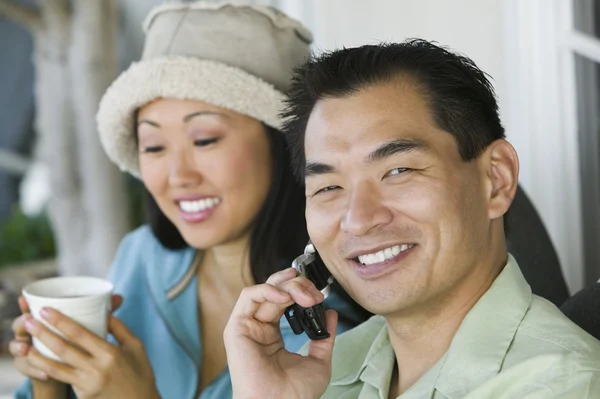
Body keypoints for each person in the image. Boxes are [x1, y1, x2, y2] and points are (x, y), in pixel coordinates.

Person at [9, 2, 367, 399]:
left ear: (284, 147)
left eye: (204, 140)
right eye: (154, 145)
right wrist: (49, 381)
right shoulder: (141, 257)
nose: (178, 176)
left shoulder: (334, 335)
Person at [223, 39, 600, 398]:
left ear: (496, 180)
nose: (358, 220)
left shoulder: (566, 386)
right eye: (328, 188)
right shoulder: (320, 370)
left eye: (398, 171)